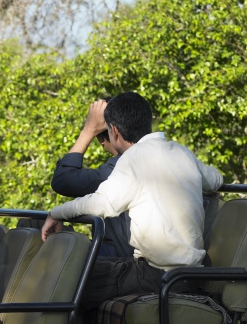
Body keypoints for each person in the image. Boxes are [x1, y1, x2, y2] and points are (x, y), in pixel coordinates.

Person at [41, 92, 224, 310]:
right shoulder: (182, 152)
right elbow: (216, 179)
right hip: (188, 274)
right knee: (87, 271)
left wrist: (56, 213)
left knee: (67, 279)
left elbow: (100, 204)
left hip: (156, 275)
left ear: (114, 131)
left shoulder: (132, 159)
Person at [51, 98, 133, 258]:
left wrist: (88, 130)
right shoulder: (167, 157)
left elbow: (62, 181)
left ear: (110, 135)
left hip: (123, 266)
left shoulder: (119, 169)